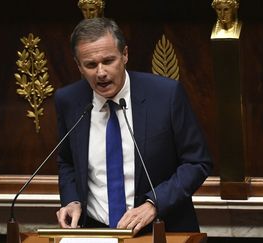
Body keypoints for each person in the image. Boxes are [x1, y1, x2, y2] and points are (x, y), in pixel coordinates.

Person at [54, 17, 212, 235]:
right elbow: (67, 161)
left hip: (161, 229)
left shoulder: (166, 95)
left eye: (108, 61)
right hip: (95, 231)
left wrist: (154, 204)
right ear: (78, 65)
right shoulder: (69, 100)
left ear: (125, 55)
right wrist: (72, 200)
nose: (100, 73)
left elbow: (197, 162)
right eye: (90, 65)